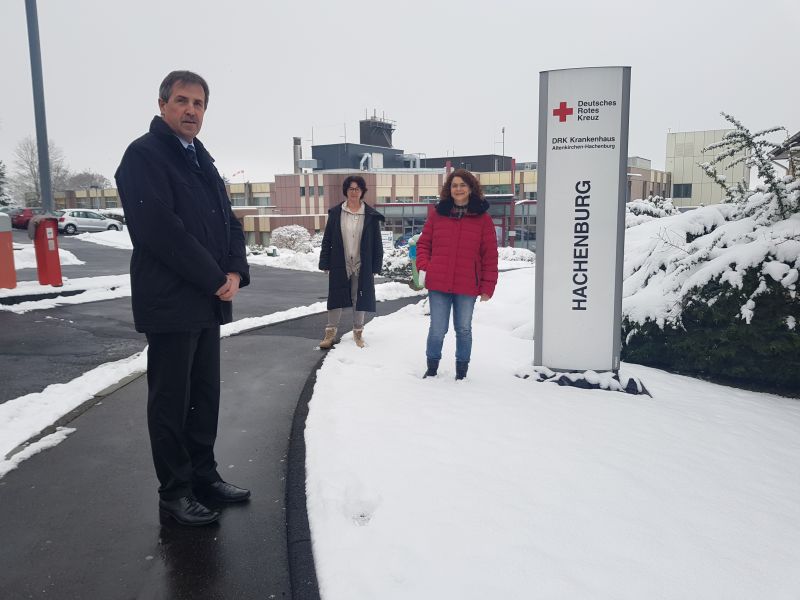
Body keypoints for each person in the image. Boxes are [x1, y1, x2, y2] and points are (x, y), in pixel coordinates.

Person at [115, 70, 251, 527]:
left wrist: (234, 270)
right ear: (162, 105)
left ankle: (202, 476)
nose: (191, 110)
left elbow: (230, 222)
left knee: (204, 396)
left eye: (199, 103)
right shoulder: (144, 156)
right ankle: (174, 491)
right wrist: (214, 277)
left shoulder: (202, 159)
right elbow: (158, 229)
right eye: (182, 100)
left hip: (207, 300)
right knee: (172, 401)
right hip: (171, 301)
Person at [415, 169, 498, 380]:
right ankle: (432, 368)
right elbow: (424, 244)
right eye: (454, 185)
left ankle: (461, 372)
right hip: (438, 282)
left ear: (470, 188)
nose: (458, 189)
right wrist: (426, 265)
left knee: (463, 329)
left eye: (462, 185)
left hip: (467, 285)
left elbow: (490, 256)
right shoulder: (438, 214)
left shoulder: (483, 219)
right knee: (437, 329)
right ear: (449, 189)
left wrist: (488, 286)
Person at [318, 175, 385, 349]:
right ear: (346, 191)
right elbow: (328, 240)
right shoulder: (336, 213)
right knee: (335, 296)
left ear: (362, 191)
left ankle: (358, 333)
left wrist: (376, 265)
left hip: (362, 263)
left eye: (357, 188)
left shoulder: (370, 215)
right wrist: (325, 262)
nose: (354, 192)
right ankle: (330, 333)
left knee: (359, 297)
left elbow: (377, 243)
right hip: (340, 261)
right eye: (350, 188)